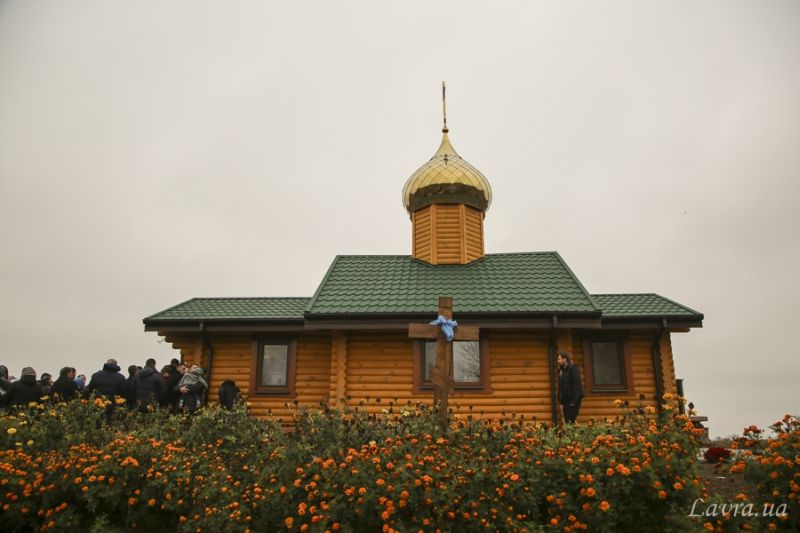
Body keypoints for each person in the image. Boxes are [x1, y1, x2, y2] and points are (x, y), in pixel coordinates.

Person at [557, 351, 583, 424]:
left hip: (573, 400)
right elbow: (561, 387)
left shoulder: (573, 369)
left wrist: (574, 402)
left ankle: (574, 434)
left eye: (559, 359)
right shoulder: (562, 371)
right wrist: (561, 401)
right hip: (565, 400)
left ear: (564, 359)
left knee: (571, 420)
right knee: (567, 421)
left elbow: (577, 386)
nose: (558, 361)